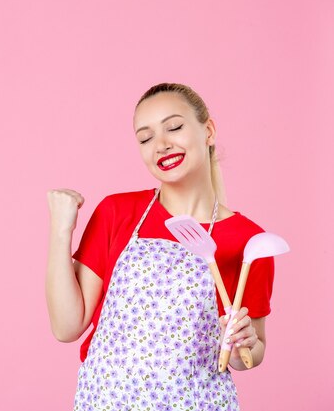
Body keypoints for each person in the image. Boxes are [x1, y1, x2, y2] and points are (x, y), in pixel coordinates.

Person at [45, 82, 274, 410]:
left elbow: (249, 356)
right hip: (108, 401)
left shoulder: (248, 241)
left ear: (208, 130)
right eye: (145, 137)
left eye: (175, 127)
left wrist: (243, 345)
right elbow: (67, 327)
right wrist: (60, 230)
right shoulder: (117, 213)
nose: (161, 145)